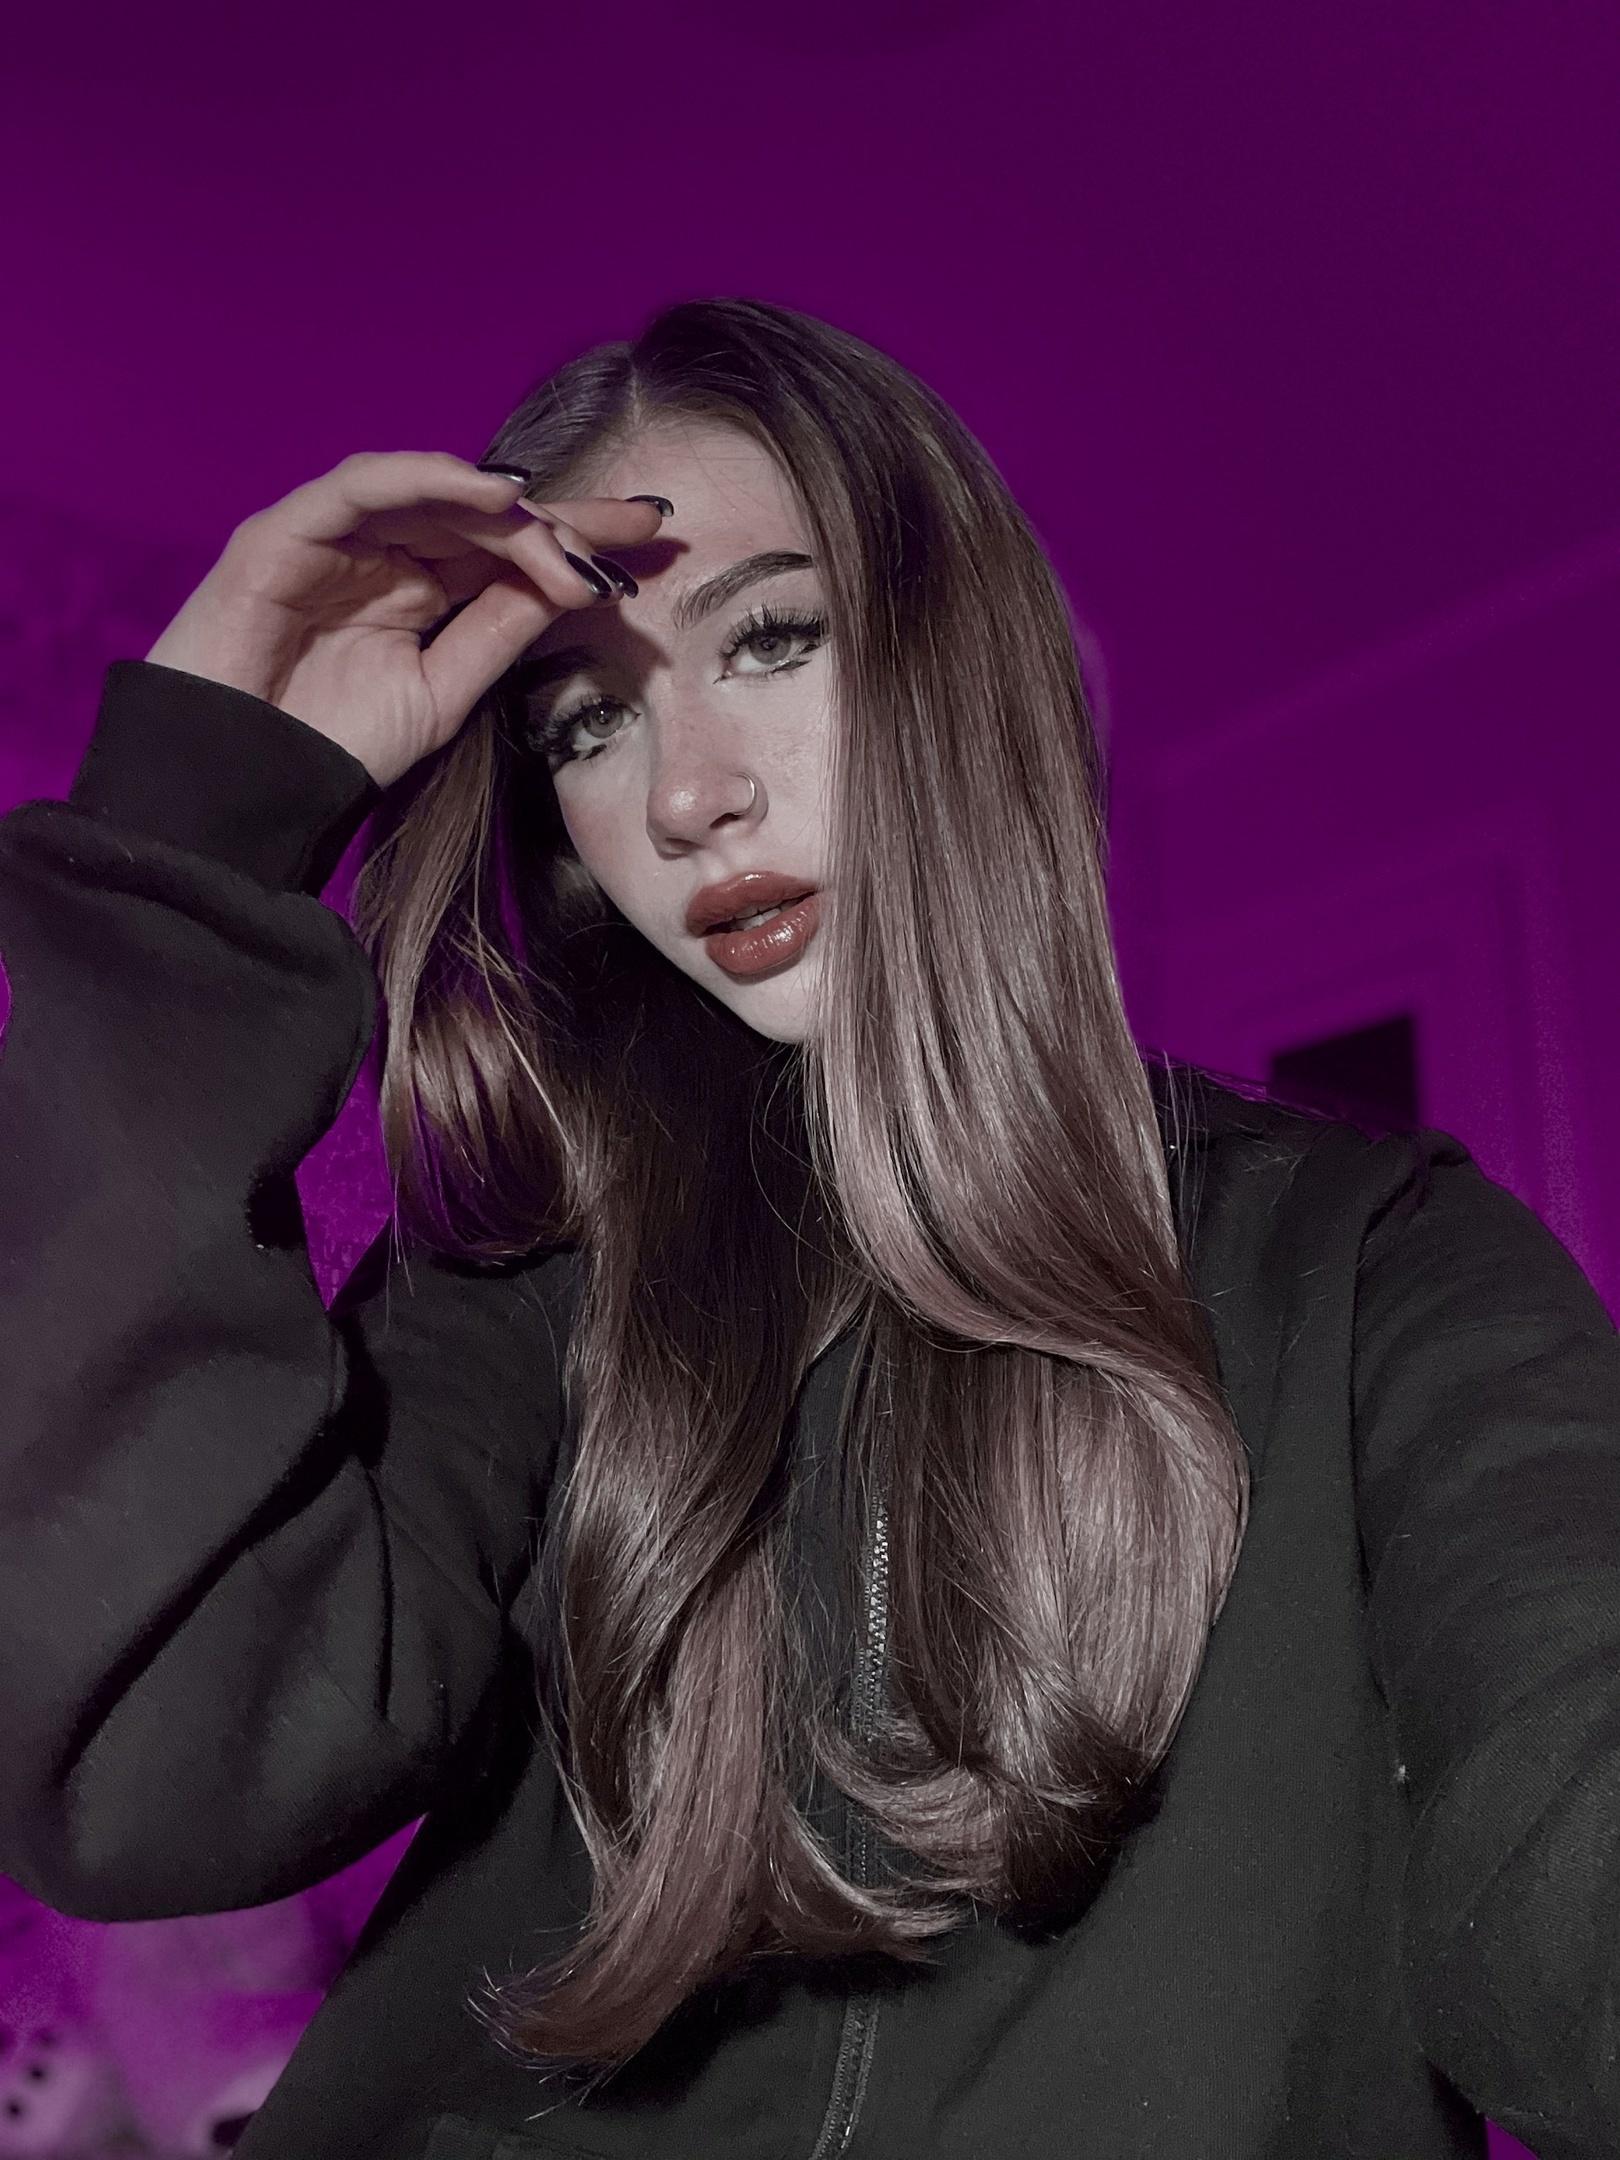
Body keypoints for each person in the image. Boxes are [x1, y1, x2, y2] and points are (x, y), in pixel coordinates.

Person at [0, 295, 1617, 2160]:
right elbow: (152, 1765)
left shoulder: (1382, 1268)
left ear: (960, 661)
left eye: (772, 637)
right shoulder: (532, 1277)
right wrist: (196, 849)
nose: (689, 795)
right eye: (587, 722)